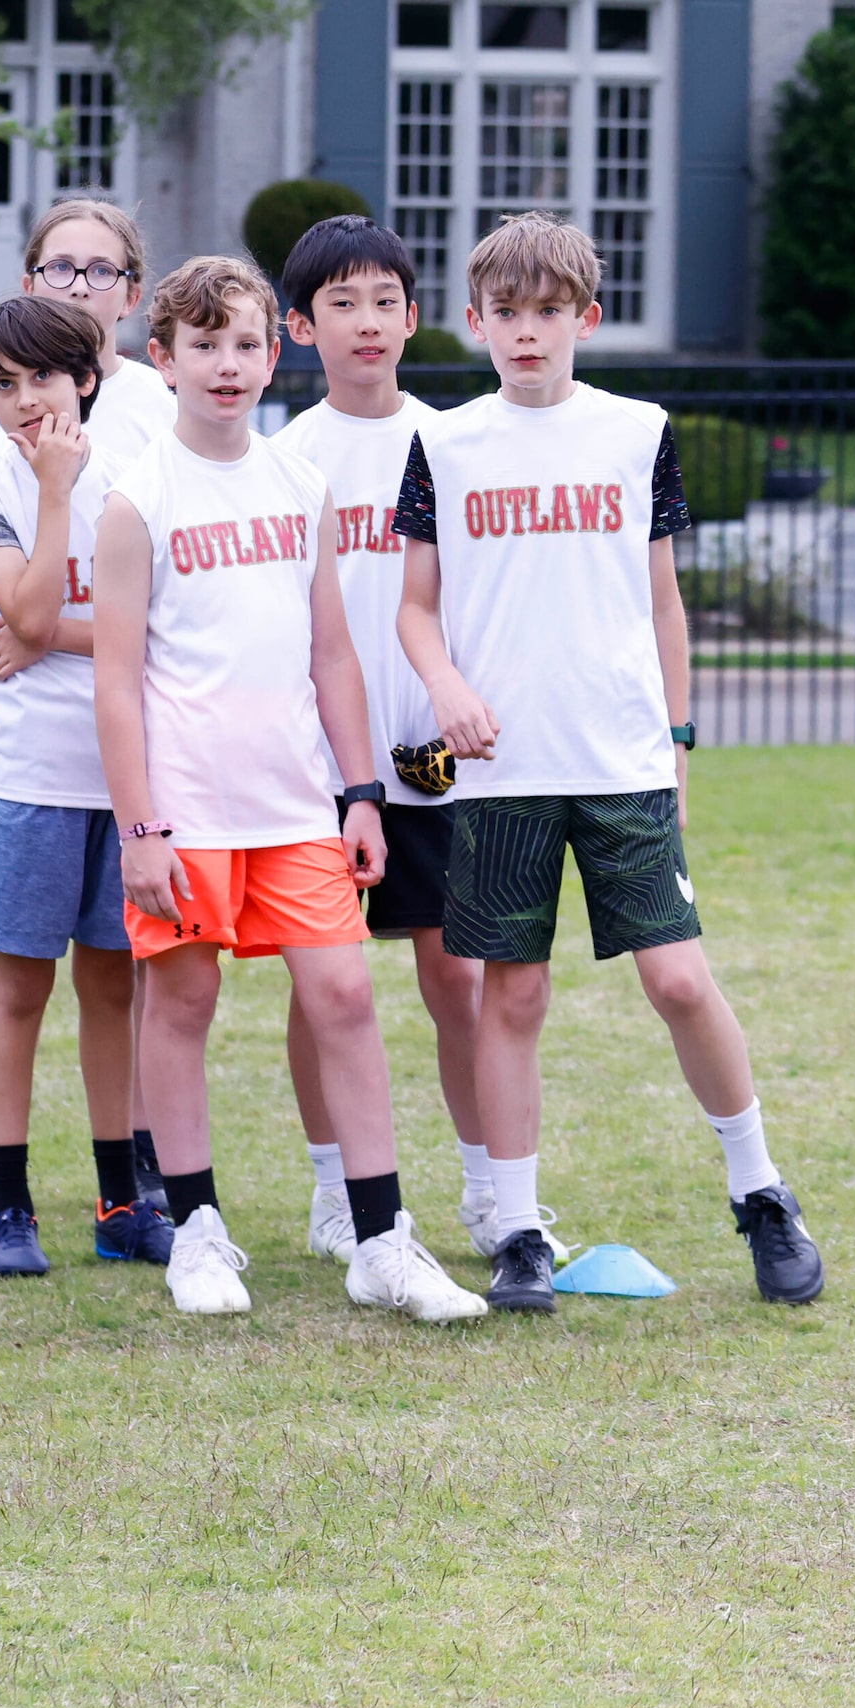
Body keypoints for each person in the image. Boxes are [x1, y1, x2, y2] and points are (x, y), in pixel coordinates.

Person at [393, 211, 826, 1312]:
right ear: (477, 322)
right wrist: (447, 690)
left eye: (548, 313)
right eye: (505, 314)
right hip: (501, 772)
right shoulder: (444, 442)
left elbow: (664, 601)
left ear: (585, 317)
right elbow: (416, 609)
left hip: (622, 757)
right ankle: (520, 1228)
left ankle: (762, 1193)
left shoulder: (638, 430)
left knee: (678, 979)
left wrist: (678, 740)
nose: (526, 334)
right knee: (514, 995)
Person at [92, 255, 486, 1323]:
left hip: (297, 807)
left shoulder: (296, 484)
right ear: (161, 359)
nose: (228, 365)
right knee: (184, 1001)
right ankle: (198, 1230)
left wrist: (360, 793)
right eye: (205, 345)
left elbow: (336, 658)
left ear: (276, 352)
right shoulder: (137, 503)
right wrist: (140, 828)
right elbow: (117, 685)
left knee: (346, 998)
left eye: (247, 344)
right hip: (186, 813)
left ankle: (381, 1241)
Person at [0, 197, 175, 1219]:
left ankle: (131, 1186)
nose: (80, 288)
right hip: (29, 765)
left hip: (130, 764)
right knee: (16, 975)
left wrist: (52, 632)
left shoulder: (150, 441)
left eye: (100, 271)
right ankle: (9, 1186)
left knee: (119, 977)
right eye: (59, 268)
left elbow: (157, 622)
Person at [274, 217, 505, 1265]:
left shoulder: (457, 446)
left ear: (415, 319)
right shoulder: (284, 463)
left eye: (384, 302)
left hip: (431, 764)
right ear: (299, 327)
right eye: (340, 305)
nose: (365, 324)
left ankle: (492, 1188)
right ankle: (339, 1190)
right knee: (325, 984)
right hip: (318, 771)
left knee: (457, 977)